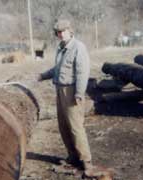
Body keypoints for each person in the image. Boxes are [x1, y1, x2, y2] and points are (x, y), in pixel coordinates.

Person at [38, 19, 93, 171]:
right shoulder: (61, 47)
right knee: (63, 126)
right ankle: (73, 156)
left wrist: (79, 93)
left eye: (63, 31)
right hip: (60, 90)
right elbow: (58, 68)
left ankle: (86, 161)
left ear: (70, 30)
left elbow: (82, 72)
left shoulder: (78, 47)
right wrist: (42, 76)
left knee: (76, 127)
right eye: (58, 32)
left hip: (72, 90)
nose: (61, 34)